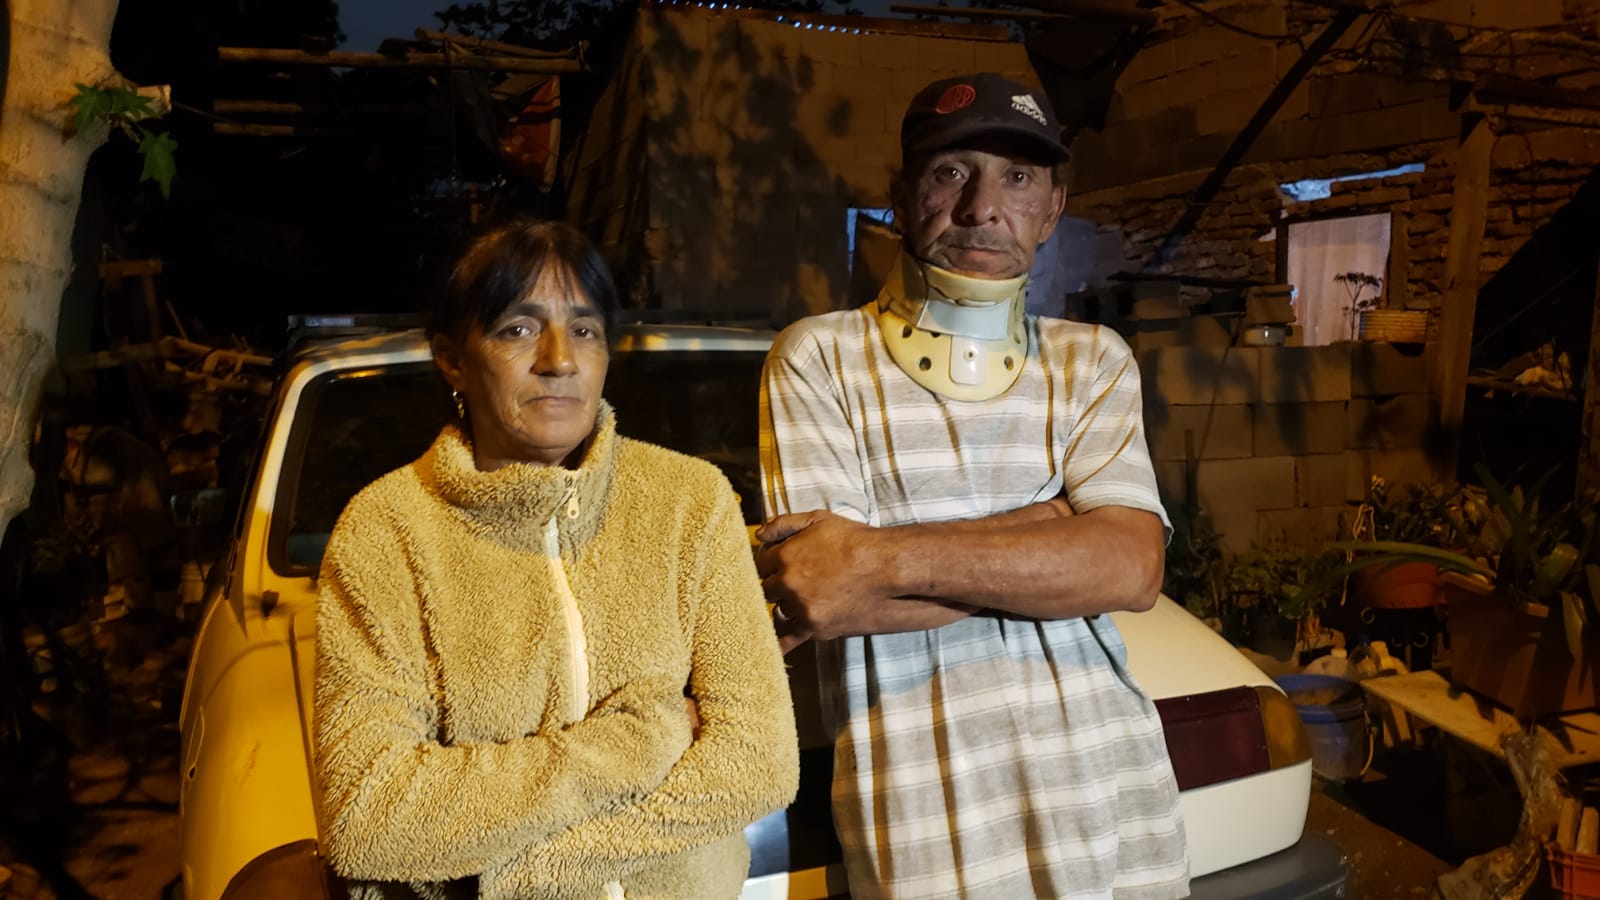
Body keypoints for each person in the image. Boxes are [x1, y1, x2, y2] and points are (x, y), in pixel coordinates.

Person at [757, 73, 1188, 898]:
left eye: (1019, 177)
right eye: (952, 172)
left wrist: (875, 554)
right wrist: (1054, 527)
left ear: (1054, 206)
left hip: (1117, 803)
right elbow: (825, 591)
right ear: (901, 194)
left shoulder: (1093, 361)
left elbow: (1131, 569)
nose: (984, 206)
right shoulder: (818, 357)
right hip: (932, 824)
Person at [315, 219, 799, 899]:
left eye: (584, 329)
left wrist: (534, 876)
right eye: (517, 328)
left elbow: (760, 760)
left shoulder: (690, 502)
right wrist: (644, 739)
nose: (559, 359)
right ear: (454, 358)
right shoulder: (387, 531)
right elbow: (368, 816)